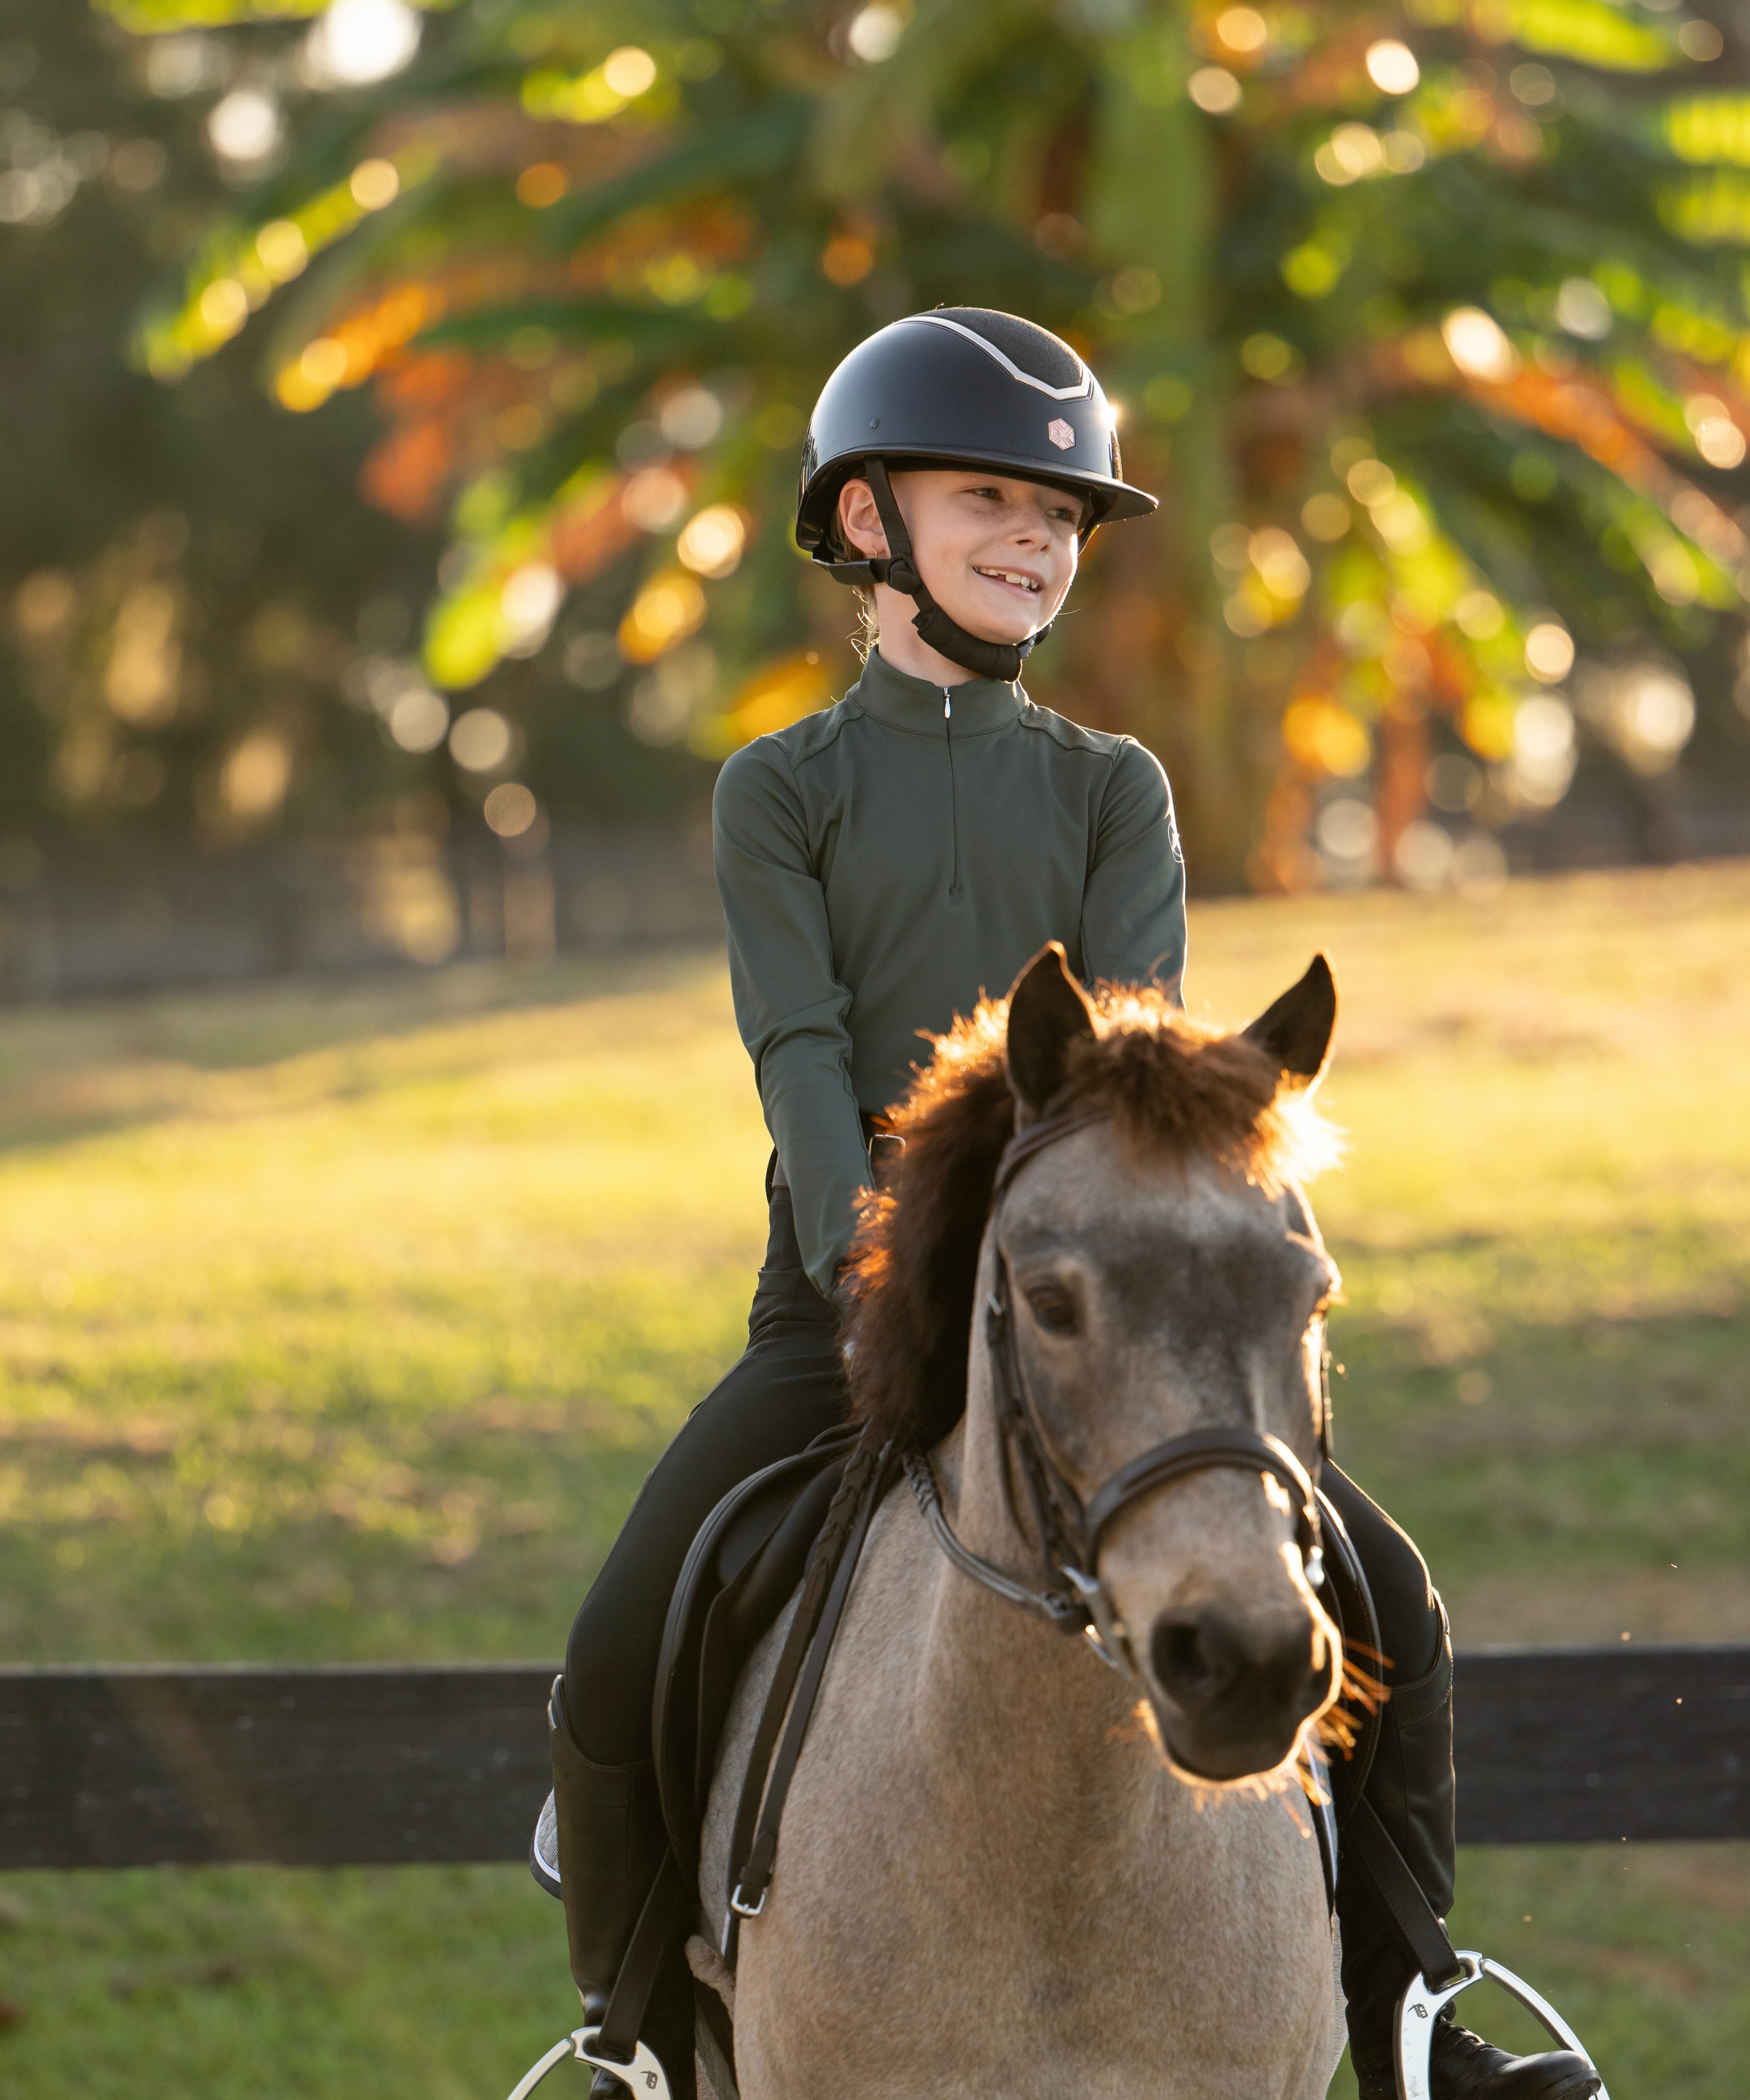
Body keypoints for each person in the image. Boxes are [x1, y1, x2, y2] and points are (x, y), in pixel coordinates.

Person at [544, 309, 1597, 2100]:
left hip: (1100, 1319)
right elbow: (801, 1050)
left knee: (1393, 1602)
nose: (1036, 541)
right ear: (867, 520)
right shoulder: (780, 792)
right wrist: (868, 1261)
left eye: (1060, 515)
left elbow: (1135, 1075)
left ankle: (1411, 2010)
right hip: (850, 1310)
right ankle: (635, 2039)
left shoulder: (1114, 787)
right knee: (625, 1623)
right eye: (991, 501)